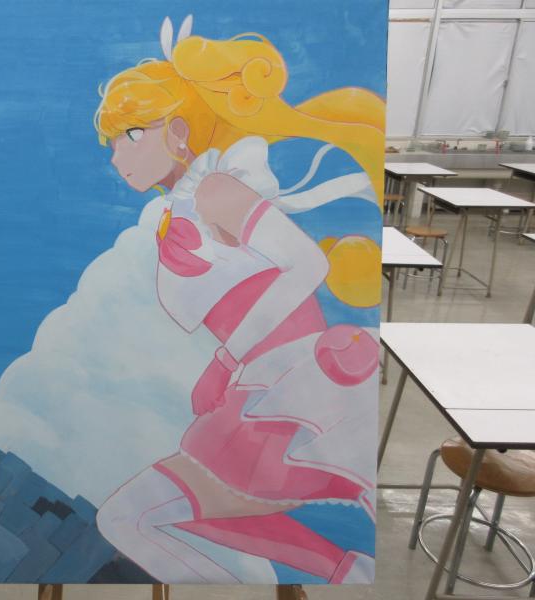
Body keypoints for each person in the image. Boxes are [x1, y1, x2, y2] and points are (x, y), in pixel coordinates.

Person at [94, 17, 382, 584]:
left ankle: (344, 568)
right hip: (259, 390)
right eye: (113, 141)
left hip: (292, 386)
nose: (116, 154)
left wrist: (225, 361)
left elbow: (308, 263)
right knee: (134, 515)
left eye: (133, 134)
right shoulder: (182, 205)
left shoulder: (215, 189)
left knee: (132, 515)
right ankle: (343, 568)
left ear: (179, 131)